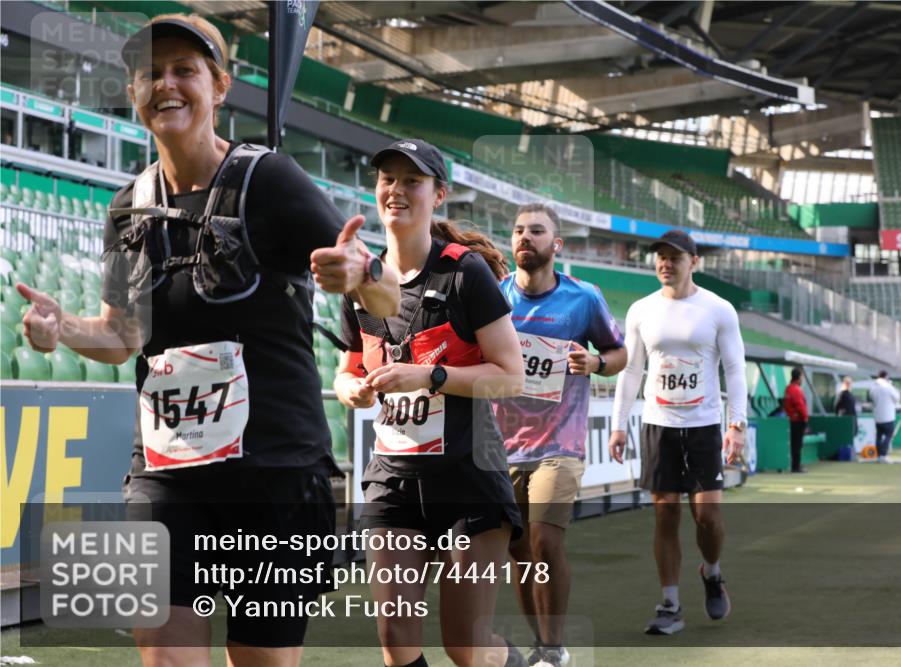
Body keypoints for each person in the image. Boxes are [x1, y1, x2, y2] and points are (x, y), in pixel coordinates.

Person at [18, 14, 400, 667]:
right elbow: (121, 335)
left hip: (274, 472)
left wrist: (363, 273)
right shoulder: (127, 207)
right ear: (134, 92)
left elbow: (385, 298)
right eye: (150, 73)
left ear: (219, 86)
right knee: (165, 656)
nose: (165, 84)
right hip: (166, 473)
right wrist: (63, 328)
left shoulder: (270, 179)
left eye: (184, 70)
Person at [334, 138, 528, 667]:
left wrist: (430, 375)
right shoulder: (360, 280)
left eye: (412, 181)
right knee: (396, 639)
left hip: (469, 478)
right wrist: (351, 389)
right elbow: (348, 368)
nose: (396, 190)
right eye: (387, 179)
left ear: (439, 194)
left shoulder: (465, 272)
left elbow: (511, 377)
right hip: (392, 479)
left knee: (465, 647)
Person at [493, 203, 627, 666]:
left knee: (546, 543)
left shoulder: (583, 297)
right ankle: (542, 644)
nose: (524, 237)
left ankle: (553, 649)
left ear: (557, 244)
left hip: (560, 444)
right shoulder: (495, 296)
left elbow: (619, 352)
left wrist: (596, 363)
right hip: (502, 446)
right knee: (519, 552)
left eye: (536, 230)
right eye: (518, 230)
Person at [608, 229, 747, 636]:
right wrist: (618, 425)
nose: (666, 263)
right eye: (661, 257)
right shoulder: (641, 310)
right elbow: (631, 370)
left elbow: (735, 369)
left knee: (708, 516)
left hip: (703, 426)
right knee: (665, 513)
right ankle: (669, 604)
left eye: (675, 257)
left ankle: (712, 572)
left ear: (694, 262)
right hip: (659, 425)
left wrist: (737, 424)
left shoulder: (718, 309)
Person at [869, 370, 901, 463]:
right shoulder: (888, 387)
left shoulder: (873, 387)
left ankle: (879, 455)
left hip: (878, 416)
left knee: (878, 436)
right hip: (888, 416)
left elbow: (872, 399)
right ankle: (883, 454)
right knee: (888, 436)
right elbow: (897, 398)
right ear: (886, 377)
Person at [783, 367, 809, 473]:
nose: (802, 379)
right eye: (802, 376)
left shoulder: (788, 388)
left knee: (794, 444)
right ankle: (796, 466)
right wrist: (805, 418)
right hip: (798, 421)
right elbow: (800, 406)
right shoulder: (796, 389)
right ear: (798, 377)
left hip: (791, 420)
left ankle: (795, 465)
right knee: (797, 444)